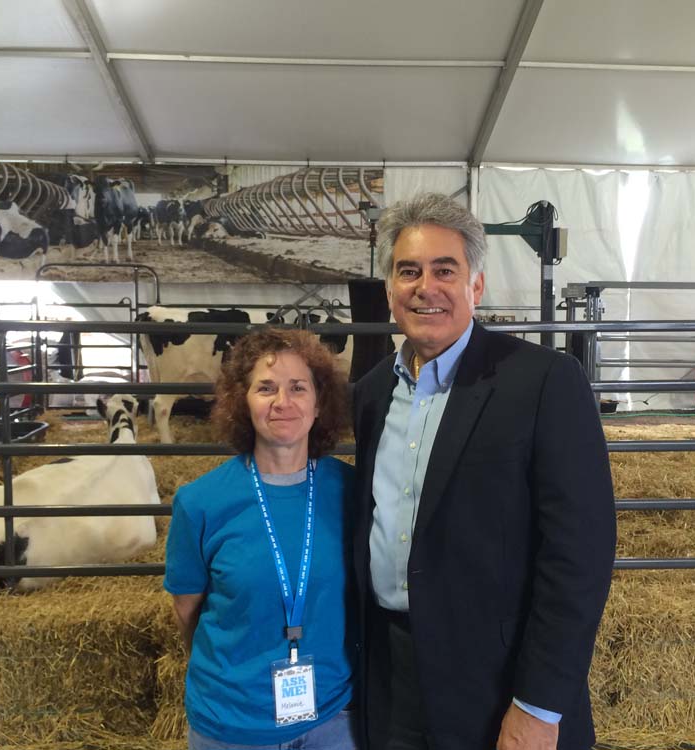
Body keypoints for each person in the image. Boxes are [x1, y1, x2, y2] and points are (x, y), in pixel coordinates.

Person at [352, 193, 616, 750]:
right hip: (391, 673)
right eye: (409, 271)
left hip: (497, 681)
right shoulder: (373, 393)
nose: (426, 287)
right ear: (390, 291)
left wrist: (540, 705)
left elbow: (579, 555)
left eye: (445, 270)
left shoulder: (544, 382)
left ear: (476, 286)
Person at [165, 328, 358, 750]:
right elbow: (187, 614)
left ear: (319, 401)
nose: (282, 402)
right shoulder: (199, 502)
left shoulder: (351, 491)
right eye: (265, 388)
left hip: (332, 717)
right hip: (232, 723)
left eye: (298, 388)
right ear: (242, 400)